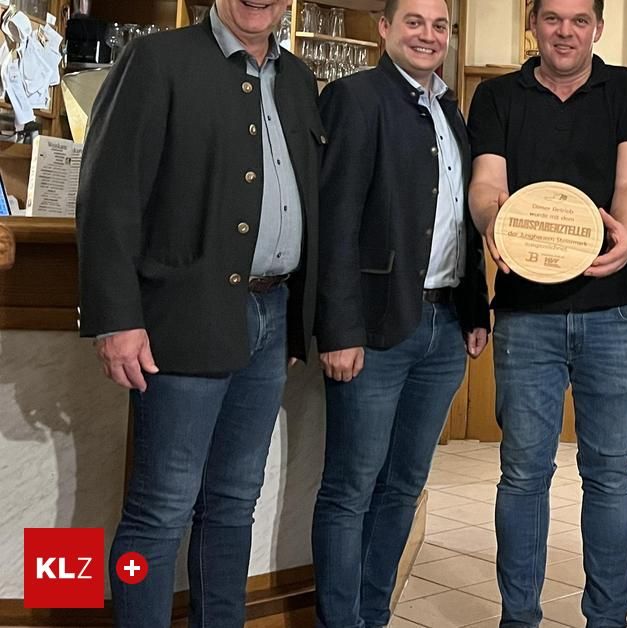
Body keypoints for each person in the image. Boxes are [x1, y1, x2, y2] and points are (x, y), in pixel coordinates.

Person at [75, 0, 321, 624]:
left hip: (272, 315)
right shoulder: (157, 60)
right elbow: (108, 195)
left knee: (235, 503)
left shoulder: (296, 78)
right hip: (180, 319)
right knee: (159, 511)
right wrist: (116, 318)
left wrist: (299, 322)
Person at [466, 0, 627, 623]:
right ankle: (518, 618)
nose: (566, 31)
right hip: (526, 316)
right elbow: (486, 185)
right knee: (523, 474)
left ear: (598, 28)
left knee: (610, 473)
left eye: (580, 20)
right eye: (553, 18)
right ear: (533, 22)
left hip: (611, 313)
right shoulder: (498, 96)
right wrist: (494, 221)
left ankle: (607, 619)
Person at [309, 0, 491, 624]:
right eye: (413, 21)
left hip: (442, 330)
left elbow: (460, 222)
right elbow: (331, 225)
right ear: (385, 29)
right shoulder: (354, 97)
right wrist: (338, 328)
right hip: (373, 331)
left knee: (404, 488)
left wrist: (475, 311)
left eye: (440, 25)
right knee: (350, 490)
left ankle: (372, 614)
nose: (428, 35)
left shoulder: (450, 111)